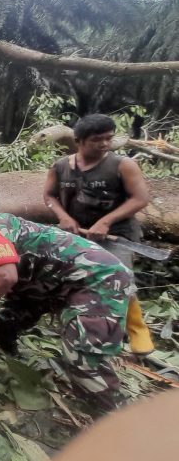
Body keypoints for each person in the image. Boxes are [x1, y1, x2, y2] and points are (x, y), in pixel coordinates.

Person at [0, 194, 131, 411]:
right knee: (8, 320)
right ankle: (3, 338)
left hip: (95, 279)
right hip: (48, 282)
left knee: (82, 356)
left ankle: (115, 416)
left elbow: (5, 276)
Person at [43, 113, 154, 355]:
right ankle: (85, 324)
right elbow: (49, 196)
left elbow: (140, 199)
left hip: (117, 234)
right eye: (97, 139)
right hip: (78, 233)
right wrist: (63, 216)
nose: (104, 144)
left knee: (119, 278)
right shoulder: (61, 167)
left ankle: (137, 330)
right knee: (75, 278)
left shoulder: (122, 165)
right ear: (79, 140)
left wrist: (106, 221)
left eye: (108, 138)